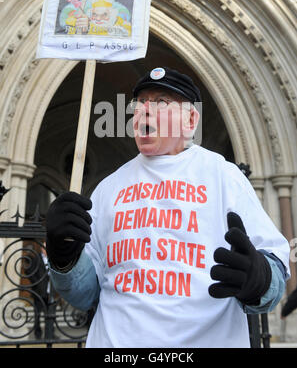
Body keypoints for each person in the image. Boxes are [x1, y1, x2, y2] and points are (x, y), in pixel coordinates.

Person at [46, 66, 290, 348]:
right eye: (140, 104)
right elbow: (85, 295)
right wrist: (64, 257)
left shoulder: (223, 176)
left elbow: (275, 276)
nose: (145, 111)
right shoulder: (108, 189)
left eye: (161, 102)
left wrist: (258, 279)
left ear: (190, 119)